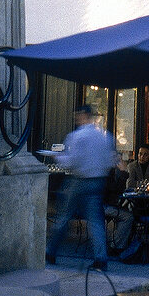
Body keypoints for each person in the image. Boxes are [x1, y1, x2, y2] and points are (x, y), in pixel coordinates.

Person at [46, 105, 117, 269]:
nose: (76, 119)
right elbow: (109, 161)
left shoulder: (77, 137)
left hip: (79, 180)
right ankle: (100, 258)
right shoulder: (105, 137)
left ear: (83, 115)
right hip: (98, 180)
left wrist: (56, 156)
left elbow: (71, 161)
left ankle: (50, 251)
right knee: (95, 221)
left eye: (77, 116)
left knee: (64, 216)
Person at [104, 158, 135, 255]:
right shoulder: (107, 171)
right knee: (128, 217)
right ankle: (117, 246)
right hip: (102, 206)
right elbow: (115, 190)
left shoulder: (104, 169)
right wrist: (123, 172)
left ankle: (118, 243)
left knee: (125, 212)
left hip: (98, 204)